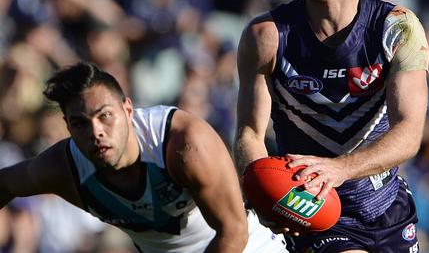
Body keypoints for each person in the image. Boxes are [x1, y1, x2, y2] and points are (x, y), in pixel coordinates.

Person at [235, 0, 428, 252]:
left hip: (387, 210)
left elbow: (410, 133)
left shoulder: (397, 29)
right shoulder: (266, 37)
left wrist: (340, 168)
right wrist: (260, 190)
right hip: (315, 212)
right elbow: (249, 132)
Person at [0, 62, 287, 253]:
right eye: (80, 124)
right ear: (67, 126)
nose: (96, 132)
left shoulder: (184, 144)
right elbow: (6, 183)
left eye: (105, 116)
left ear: (128, 109)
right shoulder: (63, 168)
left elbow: (233, 232)